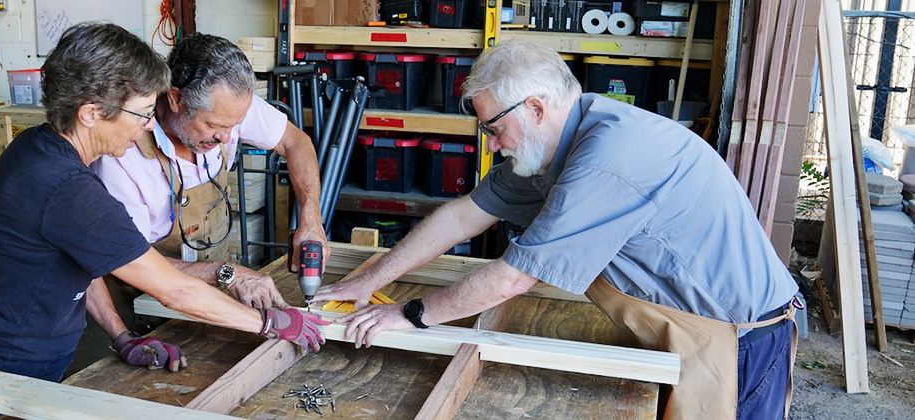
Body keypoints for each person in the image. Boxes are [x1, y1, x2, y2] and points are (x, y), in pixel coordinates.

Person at [313, 40, 800, 420]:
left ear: (536, 108)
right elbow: (465, 213)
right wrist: (371, 279)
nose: (493, 145)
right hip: (688, 326)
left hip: (737, 343)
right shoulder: (551, 149)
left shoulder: (605, 159)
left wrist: (412, 314)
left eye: (493, 129)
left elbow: (513, 277)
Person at [0, 23, 328, 420]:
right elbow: (174, 292)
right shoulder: (70, 189)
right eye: (144, 114)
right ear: (92, 114)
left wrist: (121, 336)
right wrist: (268, 322)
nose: (150, 126)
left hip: (28, 356)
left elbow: (84, 263)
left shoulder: (37, 146)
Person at [90, 33, 326, 311]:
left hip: (214, 294)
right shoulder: (123, 156)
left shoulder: (228, 106)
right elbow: (130, 261)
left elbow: (296, 141)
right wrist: (225, 273)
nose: (227, 137)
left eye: (234, 125)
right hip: (145, 305)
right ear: (176, 99)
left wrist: (311, 217)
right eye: (215, 125)